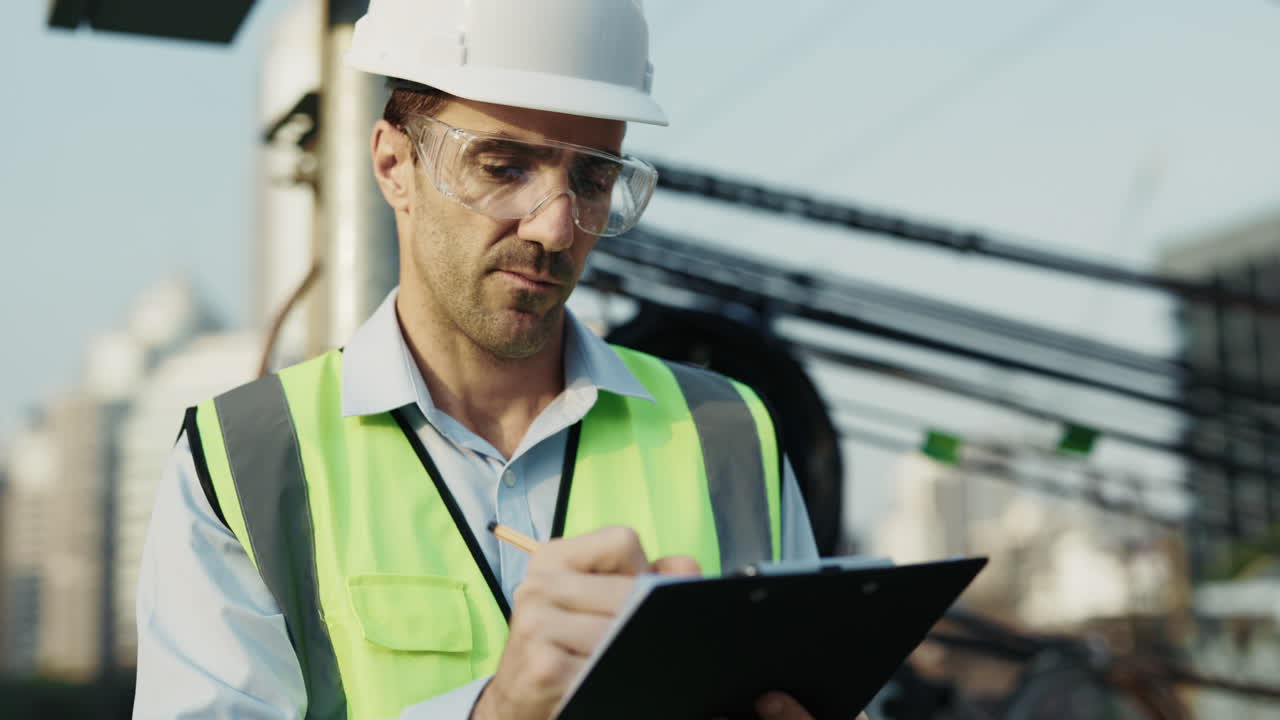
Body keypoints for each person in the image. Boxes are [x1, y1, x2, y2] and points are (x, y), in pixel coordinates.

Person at [133, 1, 865, 718]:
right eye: (504, 165)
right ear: (393, 165)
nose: (555, 226)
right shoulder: (244, 464)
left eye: (592, 179)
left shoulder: (730, 436)